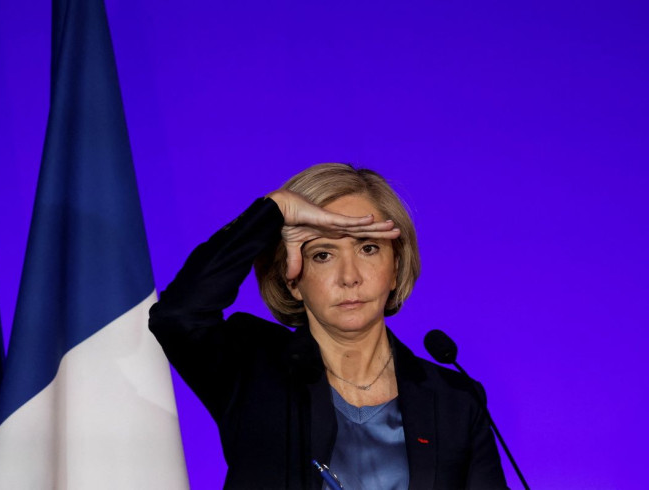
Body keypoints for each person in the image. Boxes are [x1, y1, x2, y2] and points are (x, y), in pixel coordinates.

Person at [149, 163, 507, 489]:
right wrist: (275, 211)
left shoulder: (455, 400)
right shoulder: (251, 367)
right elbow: (178, 315)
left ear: (395, 267)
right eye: (322, 255)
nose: (349, 277)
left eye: (368, 248)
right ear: (292, 280)